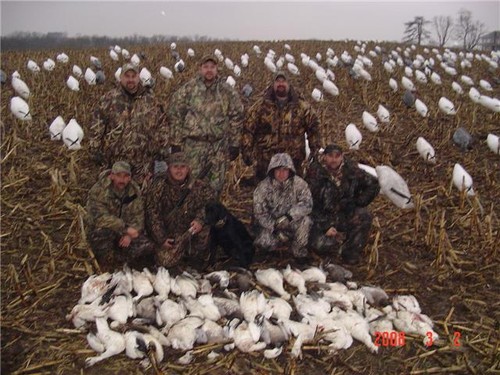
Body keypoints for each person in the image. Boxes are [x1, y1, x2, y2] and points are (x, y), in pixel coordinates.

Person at [168, 54, 244, 196]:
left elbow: (237, 116)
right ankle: (190, 217)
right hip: (193, 147)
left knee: (216, 186)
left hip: (218, 148)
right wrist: (176, 142)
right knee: (191, 185)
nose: (209, 70)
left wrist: (234, 143)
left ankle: (211, 217)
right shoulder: (188, 89)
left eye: (212, 67)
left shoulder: (227, 91)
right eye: (206, 67)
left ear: (217, 69)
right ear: (200, 68)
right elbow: (175, 114)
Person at [91, 63, 168, 187]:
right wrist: (95, 150)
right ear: (121, 78)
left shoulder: (151, 100)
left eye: (134, 76)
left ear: (138, 78)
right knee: (117, 197)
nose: (131, 79)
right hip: (116, 162)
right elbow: (97, 127)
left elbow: (162, 125)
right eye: (127, 76)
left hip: (144, 162)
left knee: (141, 197)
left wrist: (162, 148)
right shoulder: (108, 99)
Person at [305, 144, 380, 265]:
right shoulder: (315, 174)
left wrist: (358, 202)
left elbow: (374, 184)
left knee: (364, 215)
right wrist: (325, 226)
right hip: (322, 217)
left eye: (337, 156)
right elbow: (309, 204)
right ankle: (335, 245)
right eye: (330, 156)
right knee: (319, 245)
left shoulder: (351, 170)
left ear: (342, 157)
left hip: (344, 214)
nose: (334, 159)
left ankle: (350, 252)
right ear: (324, 157)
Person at [242, 71, 321, 181]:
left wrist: (315, 152)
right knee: (265, 195)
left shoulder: (301, 107)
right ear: (273, 84)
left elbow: (314, 128)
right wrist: (247, 152)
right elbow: (248, 129)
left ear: (289, 84)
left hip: (293, 164)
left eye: (283, 81)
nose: (280, 84)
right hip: (266, 165)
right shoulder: (261, 106)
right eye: (277, 81)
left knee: (293, 194)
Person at [145, 152, 215, 267]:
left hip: (190, 230)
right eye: (175, 167)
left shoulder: (199, 185)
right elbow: (152, 214)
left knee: (208, 229)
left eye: (183, 167)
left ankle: (196, 256)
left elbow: (210, 205)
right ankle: (176, 252)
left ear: (188, 169)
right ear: (169, 168)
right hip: (168, 233)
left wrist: (200, 220)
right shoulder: (158, 186)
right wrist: (161, 238)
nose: (179, 171)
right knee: (165, 262)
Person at [85, 161, 156, 271]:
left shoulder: (134, 191)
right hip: (105, 230)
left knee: (148, 246)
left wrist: (129, 235)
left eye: (126, 176)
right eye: (118, 176)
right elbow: (99, 218)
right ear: (112, 176)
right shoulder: (99, 190)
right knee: (101, 234)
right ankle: (107, 265)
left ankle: (124, 263)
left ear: (130, 178)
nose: (122, 180)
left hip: (125, 233)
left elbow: (139, 216)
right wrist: (126, 229)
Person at [253, 153, 313, 259]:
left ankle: (299, 252)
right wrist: (274, 227)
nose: (282, 174)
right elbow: (259, 213)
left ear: (290, 170)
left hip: (292, 222)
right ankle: (273, 251)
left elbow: (307, 204)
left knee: (306, 221)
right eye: (278, 170)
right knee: (264, 243)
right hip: (272, 226)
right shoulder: (263, 187)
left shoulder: (299, 184)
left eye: (285, 169)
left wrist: (289, 216)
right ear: (272, 171)